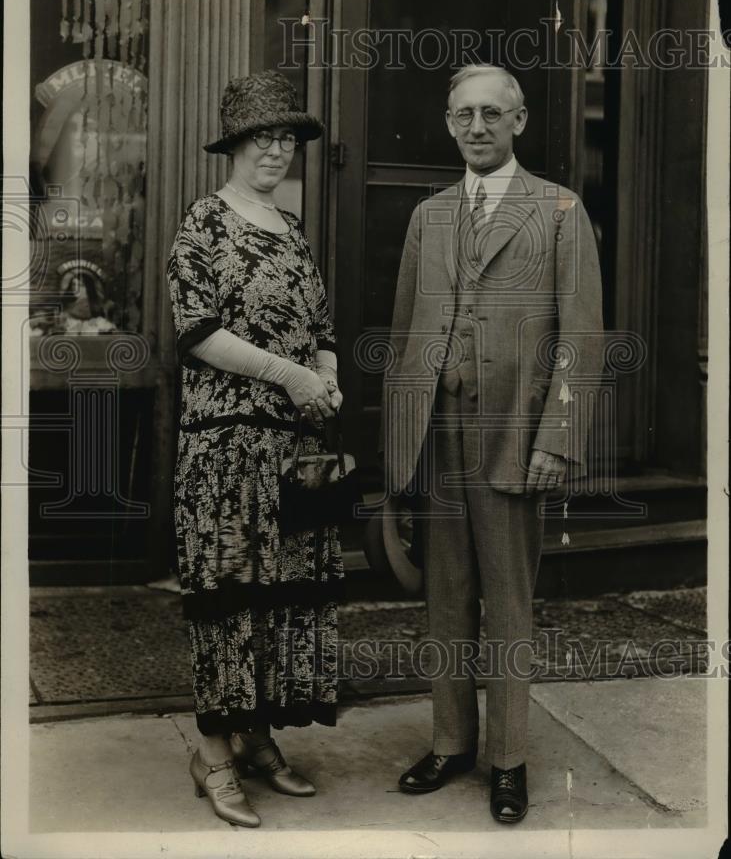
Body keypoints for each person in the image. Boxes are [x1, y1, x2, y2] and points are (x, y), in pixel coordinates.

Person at [381, 64, 604, 823]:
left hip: (512, 433)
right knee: (445, 595)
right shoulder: (429, 215)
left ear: (518, 122)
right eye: (463, 115)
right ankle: (451, 742)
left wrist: (558, 439)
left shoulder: (559, 210)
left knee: (507, 600)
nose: (476, 127)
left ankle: (507, 760)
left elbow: (581, 338)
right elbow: (408, 330)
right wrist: (400, 441)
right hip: (436, 432)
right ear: (447, 123)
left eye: (491, 114)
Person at [166, 70, 344, 828]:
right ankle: (212, 753)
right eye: (262, 137)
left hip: (290, 452)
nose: (276, 150)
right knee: (228, 596)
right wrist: (293, 376)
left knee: (275, 602)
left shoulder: (290, 228)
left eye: (287, 139)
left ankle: (257, 735)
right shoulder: (203, 224)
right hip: (225, 449)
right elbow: (197, 333)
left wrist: (326, 376)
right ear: (233, 144)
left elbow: (323, 329)